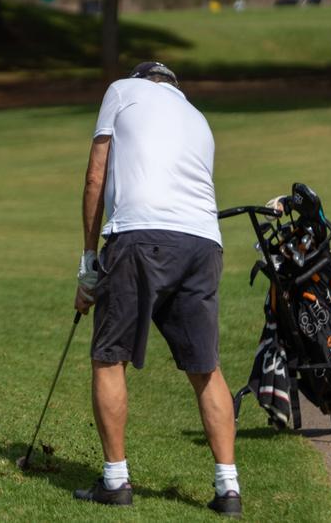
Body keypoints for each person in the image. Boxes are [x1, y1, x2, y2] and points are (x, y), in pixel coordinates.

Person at [72, 61, 241, 517]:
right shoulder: (198, 117)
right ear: (171, 86)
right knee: (206, 368)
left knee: (109, 356)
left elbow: (95, 178)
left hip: (140, 237)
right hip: (204, 244)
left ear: (140, 78)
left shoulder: (121, 90)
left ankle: (115, 480)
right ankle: (229, 489)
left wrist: (89, 264)